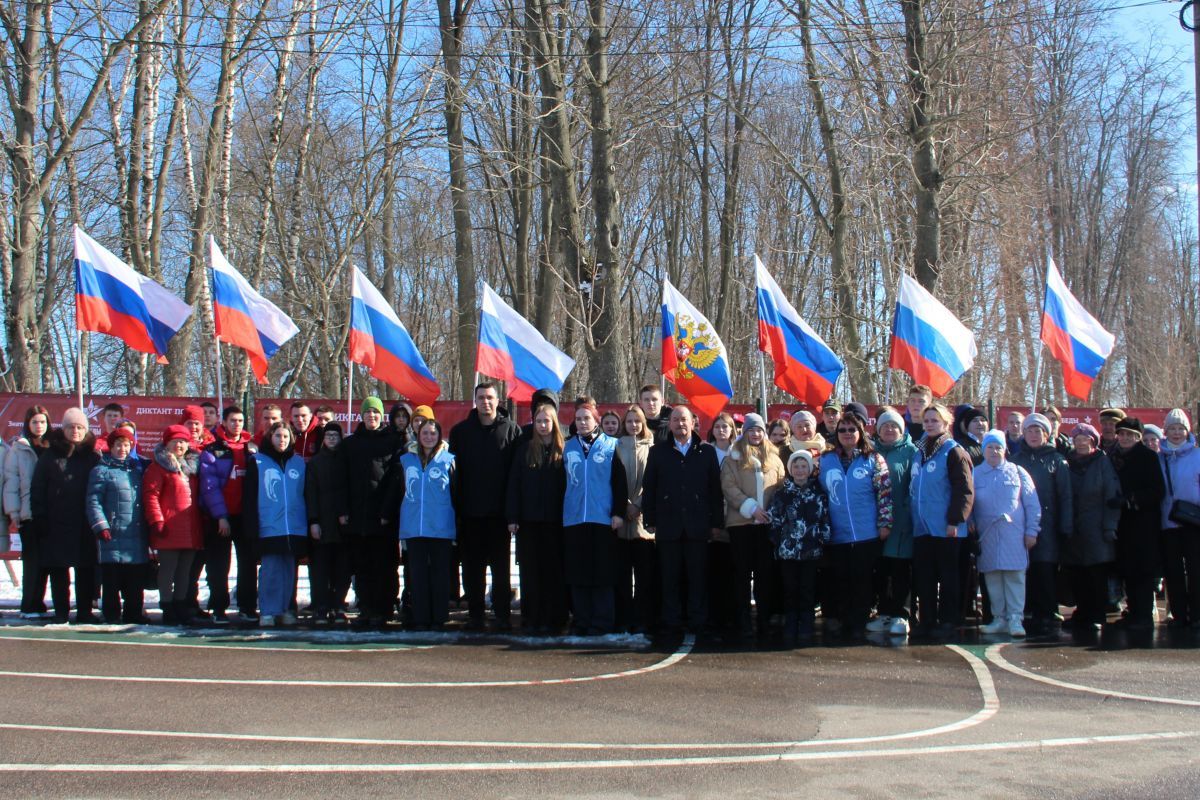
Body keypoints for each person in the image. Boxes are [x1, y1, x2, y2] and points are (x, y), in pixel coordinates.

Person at [642, 404, 723, 638]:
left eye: (684, 420)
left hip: (698, 526)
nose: (680, 424)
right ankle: (671, 621)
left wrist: (716, 523)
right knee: (670, 578)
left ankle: (699, 620)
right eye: (675, 420)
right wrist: (650, 519)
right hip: (668, 526)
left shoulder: (706, 452)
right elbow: (650, 488)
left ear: (693, 423)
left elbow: (715, 490)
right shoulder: (658, 452)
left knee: (698, 578)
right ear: (670, 424)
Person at [448, 381, 521, 631]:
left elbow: (516, 475)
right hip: (470, 515)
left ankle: (501, 615)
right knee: (472, 569)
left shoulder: (512, 431)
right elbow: (454, 476)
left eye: (490, 397)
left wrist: (512, 511)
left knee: (501, 569)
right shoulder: (460, 432)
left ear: (498, 401)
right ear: (475, 400)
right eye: (481, 397)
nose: (486, 402)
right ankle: (475, 615)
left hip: (500, 515)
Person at [819, 411, 892, 639]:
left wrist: (885, 523)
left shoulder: (873, 458)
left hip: (866, 533)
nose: (847, 434)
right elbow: (818, 494)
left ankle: (860, 620)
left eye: (852, 430)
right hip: (837, 534)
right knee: (841, 579)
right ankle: (842, 619)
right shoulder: (825, 460)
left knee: (863, 580)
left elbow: (885, 493)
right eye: (842, 430)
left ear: (861, 432)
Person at [382, 419, 457, 631]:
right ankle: (421, 616)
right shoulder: (406, 460)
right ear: (418, 434)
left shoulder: (449, 460)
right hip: (414, 526)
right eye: (425, 433)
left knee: (440, 574)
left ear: (439, 436)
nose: (429, 437)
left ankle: (439, 617)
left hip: (441, 527)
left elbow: (456, 493)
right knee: (417, 574)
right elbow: (397, 491)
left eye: (433, 433)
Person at [561, 398, 627, 635]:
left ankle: (602, 621)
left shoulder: (611, 445)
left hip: (603, 518)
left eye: (586, 418)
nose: (582, 422)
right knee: (578, 572)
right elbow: (561, 483)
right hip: (574, 518)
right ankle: (581, 621)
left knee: (602, 572)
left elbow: (620, 483)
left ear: (596, 420)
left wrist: (618, 512)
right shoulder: (567, 447)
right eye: (578, 419)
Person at [30, 408, 101, 623]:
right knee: (59, 570)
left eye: (80, 427)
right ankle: (61, 612)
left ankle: (84, 612)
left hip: (84, 523)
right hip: (56, 522)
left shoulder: (93, 457)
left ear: (86, 430)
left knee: (85, 569)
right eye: (71, 427)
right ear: (64, 429)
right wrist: (40, 517)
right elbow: (37, 488)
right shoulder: (50, 456)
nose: (75, 431)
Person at [910, 404, 975, 639]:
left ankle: (949, 619)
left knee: (948, 575)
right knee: (924, 576)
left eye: (934, 420)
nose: (929, 424)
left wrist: (955, 520)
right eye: (926, 420)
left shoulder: (954, 451)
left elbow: (964, 489)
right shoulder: (919, 451)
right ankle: (927, 619)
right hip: (922, 526)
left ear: (945, 423)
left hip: (946, 526)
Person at [338, 396, 402, 628]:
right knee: (362, 566)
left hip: (383, 517)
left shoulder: (392, 442)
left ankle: (384, 608)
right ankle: (365, 607)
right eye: (368, 413)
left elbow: (396, 479)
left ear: (382, 416)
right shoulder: (350, 444)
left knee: (384, 566)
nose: (371, 417)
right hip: (357, 517)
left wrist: (387, 510)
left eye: (376, 413)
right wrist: (343, 510)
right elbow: (341, 480)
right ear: (361, 416)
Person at [721, 413, 785, 640]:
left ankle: (764, 620)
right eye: (751, 430)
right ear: (744, 432)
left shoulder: (775, 459)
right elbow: (728, 487)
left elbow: (780, 488)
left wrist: (771, 513)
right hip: (741, 524)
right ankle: (743, 620)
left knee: (765, 575)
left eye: (759, 430)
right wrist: (750, 507)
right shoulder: (733, 458)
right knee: (741, 574)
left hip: (765, 525)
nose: (755, 434)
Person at [506, 405, 568, 635]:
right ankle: (532, 617)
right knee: (531, 572)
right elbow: (514, 485)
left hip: (556, 522)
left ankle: (555, 618)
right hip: (529, 522)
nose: (543, 425)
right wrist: (513, 516)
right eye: (539, 421)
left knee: (554, 571)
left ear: (554, 422)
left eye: (547, 421)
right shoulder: (524, 451)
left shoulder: (564, 451)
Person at [971, 430, 1039, 638]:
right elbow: (968, 503)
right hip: (987, 536)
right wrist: (970, 522)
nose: (994, 451)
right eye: (990, 447)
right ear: (983, 450)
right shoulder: (975, 473)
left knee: (1015, 576)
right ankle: (998, 618)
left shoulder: (1018, 472)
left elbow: (1032, 504)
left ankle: (1015, 618)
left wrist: (1032, 531)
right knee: (992, 577)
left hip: (1014, 535)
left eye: (998, 447)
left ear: (1005, 449)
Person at [1011, 413, 1073, 635]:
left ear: (1047, 435)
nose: (1034, 435)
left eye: (1038, 431)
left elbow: (1065, 495)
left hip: (1049, 525)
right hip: (1021, 525)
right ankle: (1027, 610)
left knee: (1045, 568)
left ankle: (1047, 612)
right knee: (1025, 569)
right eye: (1030, 431)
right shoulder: (1016, 460)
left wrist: (1066, 525)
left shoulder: (1056, 460)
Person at [243, 422, 308, 627]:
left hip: (294, 526)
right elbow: (250, 496)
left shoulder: (299, 463)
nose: (282, 440)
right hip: (269, 525)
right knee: (270, 570)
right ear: (270, 437)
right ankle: (269, 611)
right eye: (278, 436)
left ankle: (286, 609)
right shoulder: (258, 461)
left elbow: (305, 493)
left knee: (289, 570)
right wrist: (252, 525)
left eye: (286, 437)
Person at [198, 405, 258, 623]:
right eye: (233, 420)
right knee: (218, 565)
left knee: (248, 563)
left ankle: (247, 606)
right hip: (221, 516)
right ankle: (218, 607)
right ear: (223, 422)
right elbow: (209, 486)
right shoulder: (213, 449)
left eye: (240, 421)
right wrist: (221, 515)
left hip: (246, 515)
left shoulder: (252, 448)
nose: (237, 424)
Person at [85, 427, 149, 623]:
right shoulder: (101, 470)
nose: (123, 448)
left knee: (134, 579)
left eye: (127, 445)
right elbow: (93, 501)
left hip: (135, 532)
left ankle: (134, 613)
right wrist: (101, 525)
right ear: (111, 446)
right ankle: (111, 614)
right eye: (118, 444)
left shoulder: (137, 470)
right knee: (112, 578)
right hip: (112, 534)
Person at [1062, 423, 1121, 634]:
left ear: (1093, 441)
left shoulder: (1102, 462)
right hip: (1074, 528)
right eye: (1077, 439)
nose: (1081, 442)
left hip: (1096, 527)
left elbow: (1112, 495)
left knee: (1096, 574)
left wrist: (1110, 526)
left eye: (1085, 438)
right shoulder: (1067, 462)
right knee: (1077, 574)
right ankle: (1082, 612)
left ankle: (1098, 615)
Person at [767, 449, 830, 645]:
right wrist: (778, 541)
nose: (800, 470)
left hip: (811, 551)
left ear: (810, 469)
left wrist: (822, 539)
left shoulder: (818, 493)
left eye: (804, 466)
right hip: (788, 551)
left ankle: (807, 623)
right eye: (796, 466)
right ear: (790, 469)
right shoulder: (782, 493)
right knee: (790, 589)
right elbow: (774, 520)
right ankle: (791, 622)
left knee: (807, 589)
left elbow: (824, 519)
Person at [142, 425, 204, 625]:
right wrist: (157, 520)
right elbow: (151, 495)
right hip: (169, 528)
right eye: (175, 441)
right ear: (166, 443)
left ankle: (181, 605)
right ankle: (167, 606)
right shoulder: (157, 467)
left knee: (185, 571)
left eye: (183, 441)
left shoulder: (191, 467)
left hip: (190, 528)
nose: (179, 445)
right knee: (168, 571)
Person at [1109, 417, 1165, 631]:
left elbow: (1157, 491)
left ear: (1138, 437)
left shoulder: (1148, 457)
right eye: (1122, 434)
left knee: (1143, 571)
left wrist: (1131, 499)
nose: (1125, 438)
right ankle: (1132, 611)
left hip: (1143, 522)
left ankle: (1143, 615)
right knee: (1127, 569)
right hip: (1122, 521)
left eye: (1130, 435)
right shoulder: (1114, 457)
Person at [868, 407, 917, 636]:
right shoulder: (869, 451)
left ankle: (902, 613)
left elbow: (914, 485)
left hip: (901, 521)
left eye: (894, 426)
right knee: (881, 569)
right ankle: (884, 612)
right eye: (885, 426)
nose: (889, 429)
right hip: (875, 521)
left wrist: (907, 511)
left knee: (900, 569)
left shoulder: (911, 452)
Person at [5, 405, 52, 619]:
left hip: (50, 513)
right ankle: (29, 605)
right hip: (28, 513)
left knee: (46, 561)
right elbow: (11, 482)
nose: (39, 426)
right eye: (35, 422)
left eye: (42, 421)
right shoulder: (19, 448)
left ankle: (39, 602)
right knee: (32, 561)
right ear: (28, 424)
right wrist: (14, 512)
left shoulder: (54, 446)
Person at [614, 405, 657, 635]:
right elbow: (614, 480)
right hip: (622, 521)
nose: (633, 425)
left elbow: (652, 481)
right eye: (629, 421)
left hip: (643, 523)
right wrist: (625, 505)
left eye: (637, 421)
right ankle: (623, 618)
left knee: (644, 576)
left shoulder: (652, 448)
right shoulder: (616, 447)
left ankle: (642, 618)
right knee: (622, 576)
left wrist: (638, 505)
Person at [1158, 408, 1200, 628]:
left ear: (1187, 430)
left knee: (1196, 570)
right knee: (1173, 572)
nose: (1176, 433)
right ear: (1165, 431)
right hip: (1168, 523)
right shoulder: (1158, 458)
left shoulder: (1198, 456)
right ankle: (1179, 614)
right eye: (1172, 428)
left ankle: (1197, 614)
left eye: (1180, 428)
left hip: (1193, 523)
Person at [305, 422, 349, 624]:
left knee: (342, 568)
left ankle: (338, 604)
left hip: (343, 524)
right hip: (322, 522)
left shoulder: (347, 460)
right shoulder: (315, 463)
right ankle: (321, 606)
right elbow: (310, 494)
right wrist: (313, 520)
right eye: (328, 435)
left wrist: (345, 512)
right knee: (320, 569)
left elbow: (349, 490)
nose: (332, 439)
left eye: (335, 435)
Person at [707, 412, 738, 638]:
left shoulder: (737, 453)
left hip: (736, 515)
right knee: (714, 569)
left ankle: (732, 615)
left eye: (725, 426)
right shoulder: (706, 451)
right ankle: (714, 615)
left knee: (733, 570)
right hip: (713, 516)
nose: (721, 430)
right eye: (717, 426)